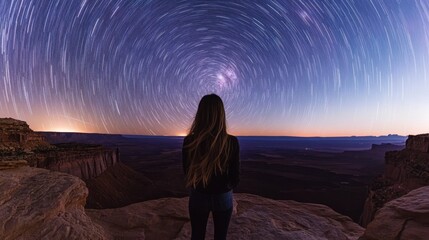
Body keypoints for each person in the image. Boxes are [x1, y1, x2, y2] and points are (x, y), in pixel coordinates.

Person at [182, 94, 240, 240]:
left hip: (198, 195)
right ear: (221, 114)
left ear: (200, 114)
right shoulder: (231, 142)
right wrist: (223, 186)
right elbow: (235, 177)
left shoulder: (190, 140)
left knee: (197, 235)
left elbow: (187, 171)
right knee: (220, 237)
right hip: (223, 196)